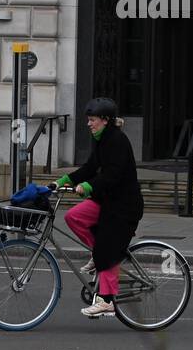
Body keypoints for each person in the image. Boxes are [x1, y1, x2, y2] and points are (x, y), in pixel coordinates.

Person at [53, 97, 144, 318]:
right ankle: (99, 253)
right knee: (74, 217)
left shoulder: (118, 141)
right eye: (88, 119)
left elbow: (112, 175)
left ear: (105, 120)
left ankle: (107, 301)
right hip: (106, 201)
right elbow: (91, 167)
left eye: (92, 119)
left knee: (107, 249)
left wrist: (88, 186)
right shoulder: (101, 139)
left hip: (124, 206)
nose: (88, 123)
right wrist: (65, 180)